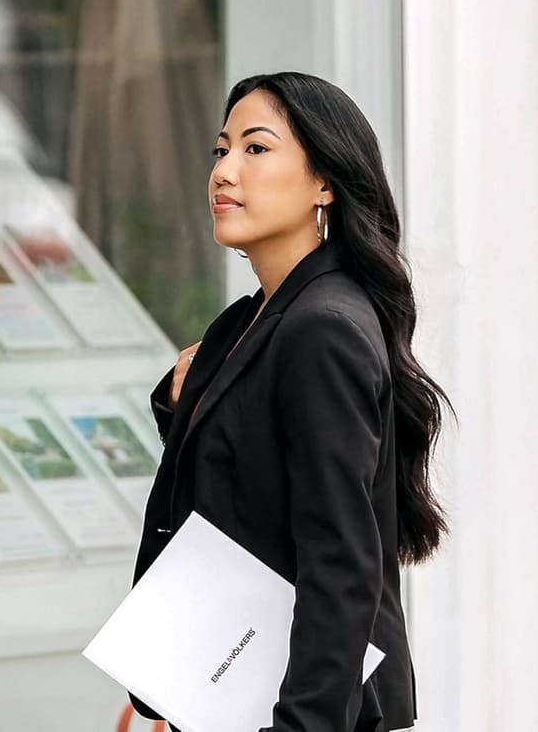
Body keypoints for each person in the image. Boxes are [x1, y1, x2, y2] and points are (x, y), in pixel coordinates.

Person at [130, 72, 451, 732]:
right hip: (239, 695)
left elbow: (340, 563)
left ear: (324, 182)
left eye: (256, 148)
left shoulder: (321, 328)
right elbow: (249, 506)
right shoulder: (249, 324)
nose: (224, 172)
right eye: (221, 150)